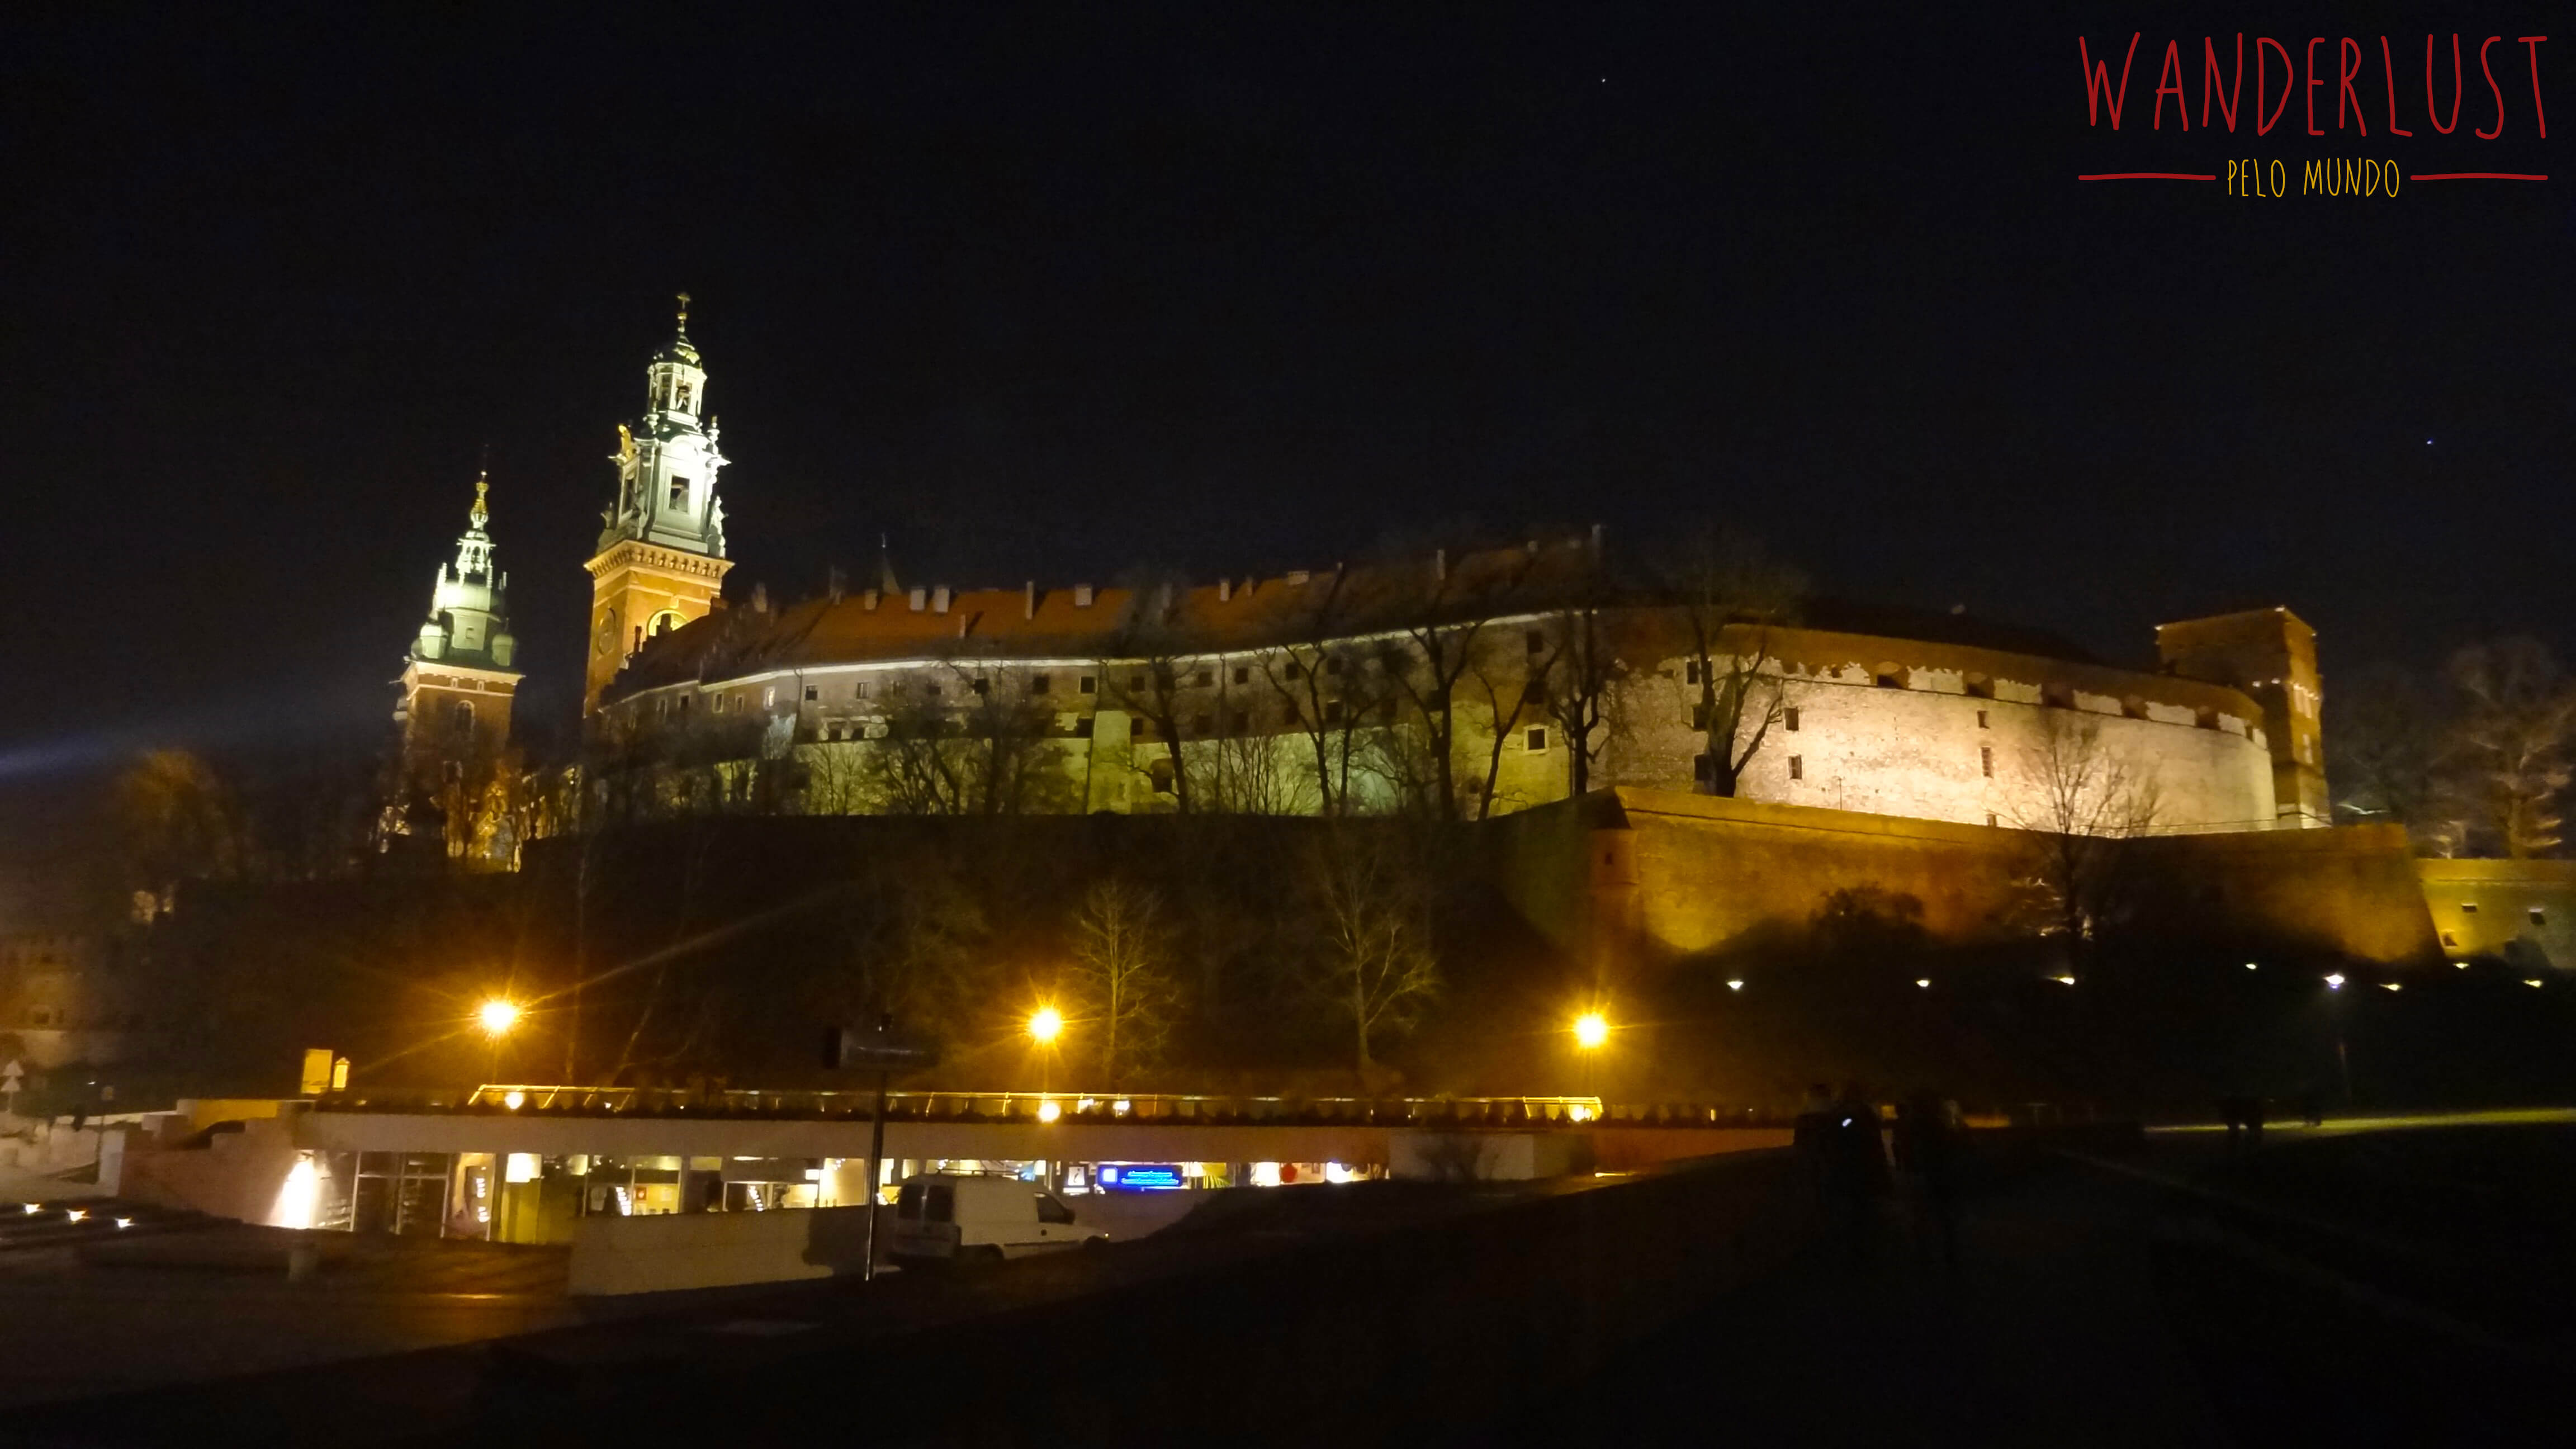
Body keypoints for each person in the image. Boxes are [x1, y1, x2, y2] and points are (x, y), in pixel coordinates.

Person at [1892, 1091, 1959, 1269]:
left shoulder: (1910, 1126)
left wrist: (1904, 1165)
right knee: (1941, 1214)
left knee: (1922, 1215)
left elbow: (1904, 1148)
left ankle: (1925, 1252)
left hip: (1921, 1173)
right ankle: (1947, 1251)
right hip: (1937, 1173)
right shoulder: (1938, 1125)